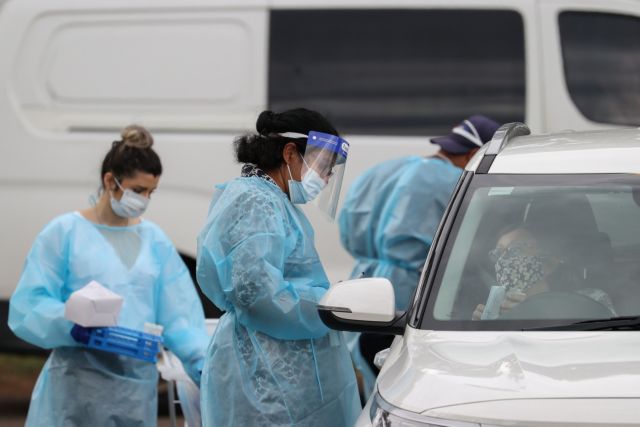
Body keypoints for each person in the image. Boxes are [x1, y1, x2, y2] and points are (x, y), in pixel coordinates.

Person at [8, 125, 210, 427]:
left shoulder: (154, 242)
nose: (144, 199)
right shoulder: (64, 233)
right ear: (109, 181)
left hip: (133, 395)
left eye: (150, 192)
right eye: (138, 190)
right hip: (74, 391)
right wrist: (71, 322)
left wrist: (206, 367)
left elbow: (181, 319)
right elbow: (29, 305)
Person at [196, 109, 360, 426]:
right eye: (323, 166)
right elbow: (257, 294)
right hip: (265, 379)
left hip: (278, 373)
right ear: (290, 153)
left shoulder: (274, 200)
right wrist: (326, 306)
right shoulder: (255, 200)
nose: (326, 178)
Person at [338, 114, 501, 398]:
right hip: (412, 293)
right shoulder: (459, 183)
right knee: (401, 386)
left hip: (365, 284)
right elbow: (475, 249)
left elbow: (348, 222)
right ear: (475, 154)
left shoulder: (387, 170)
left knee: (367, 383)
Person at [472, 225, 617, 320]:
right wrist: (481, 331)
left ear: (548, 263)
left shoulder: (590, 300)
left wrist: (533, 315)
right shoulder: (497, 310)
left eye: (515, 250)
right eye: (498, 252)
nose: (503, 260)